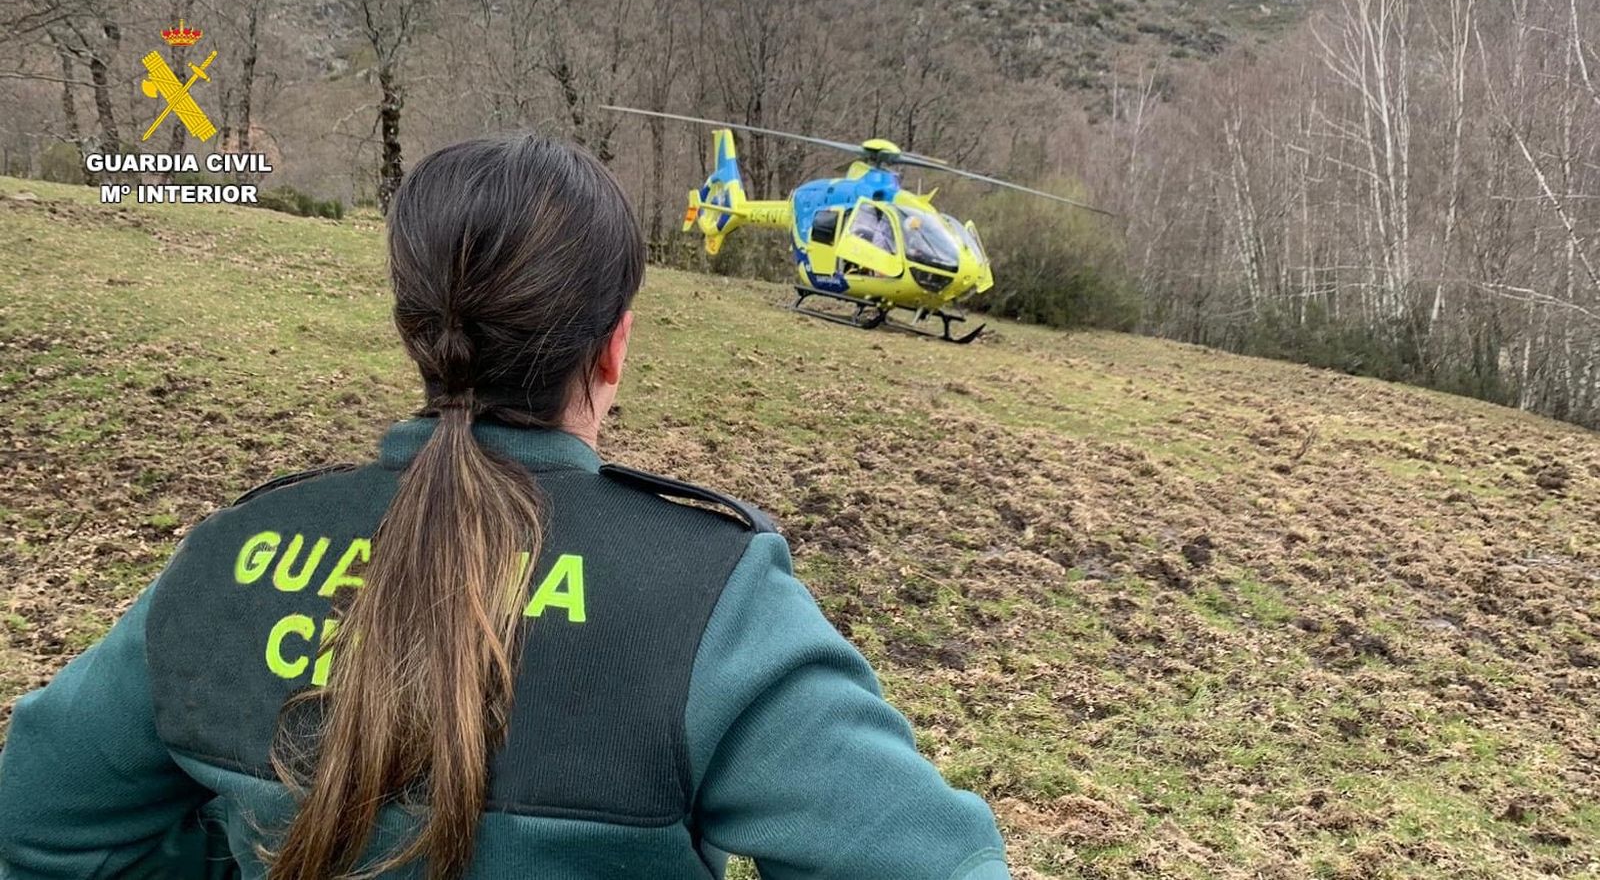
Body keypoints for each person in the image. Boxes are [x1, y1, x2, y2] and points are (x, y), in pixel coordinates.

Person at [0, 134, 1010, 880]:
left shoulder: (234, 551)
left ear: (413, 329)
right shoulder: (706, 596)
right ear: (614, 347)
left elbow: (38, 823)